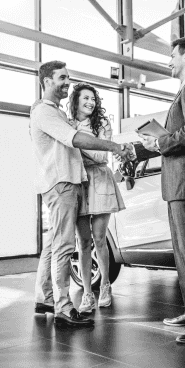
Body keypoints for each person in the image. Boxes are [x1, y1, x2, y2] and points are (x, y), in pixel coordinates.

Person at [119, 37, 185, 343]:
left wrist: (161, 142)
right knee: (183, 251)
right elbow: (177, 136)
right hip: (177, 183)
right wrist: (149, 147)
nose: (169, 61)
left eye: (172, 56)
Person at [31, 60, 133, 327]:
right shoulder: (45, 112)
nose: (67, 82)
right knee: (66, 245)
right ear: (46, 81)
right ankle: (64, 307)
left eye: (68, 78)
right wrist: (114, 146)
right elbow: (74, 139)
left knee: (54, 243)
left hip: (70, 183)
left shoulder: (54, 112)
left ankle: (44, 297)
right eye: (62, 78)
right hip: (62, 184)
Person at [67, 83, 125, 313]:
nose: (90, 102)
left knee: (100, 238)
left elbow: (102, 154)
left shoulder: (102, 123)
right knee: (82, 242)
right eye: (85, 98)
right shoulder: (68, 124)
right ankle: (88, 294)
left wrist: (78, 143)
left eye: (93, 98)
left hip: (100, 179)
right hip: (79, 182)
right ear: (76, 101)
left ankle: (105, 285)